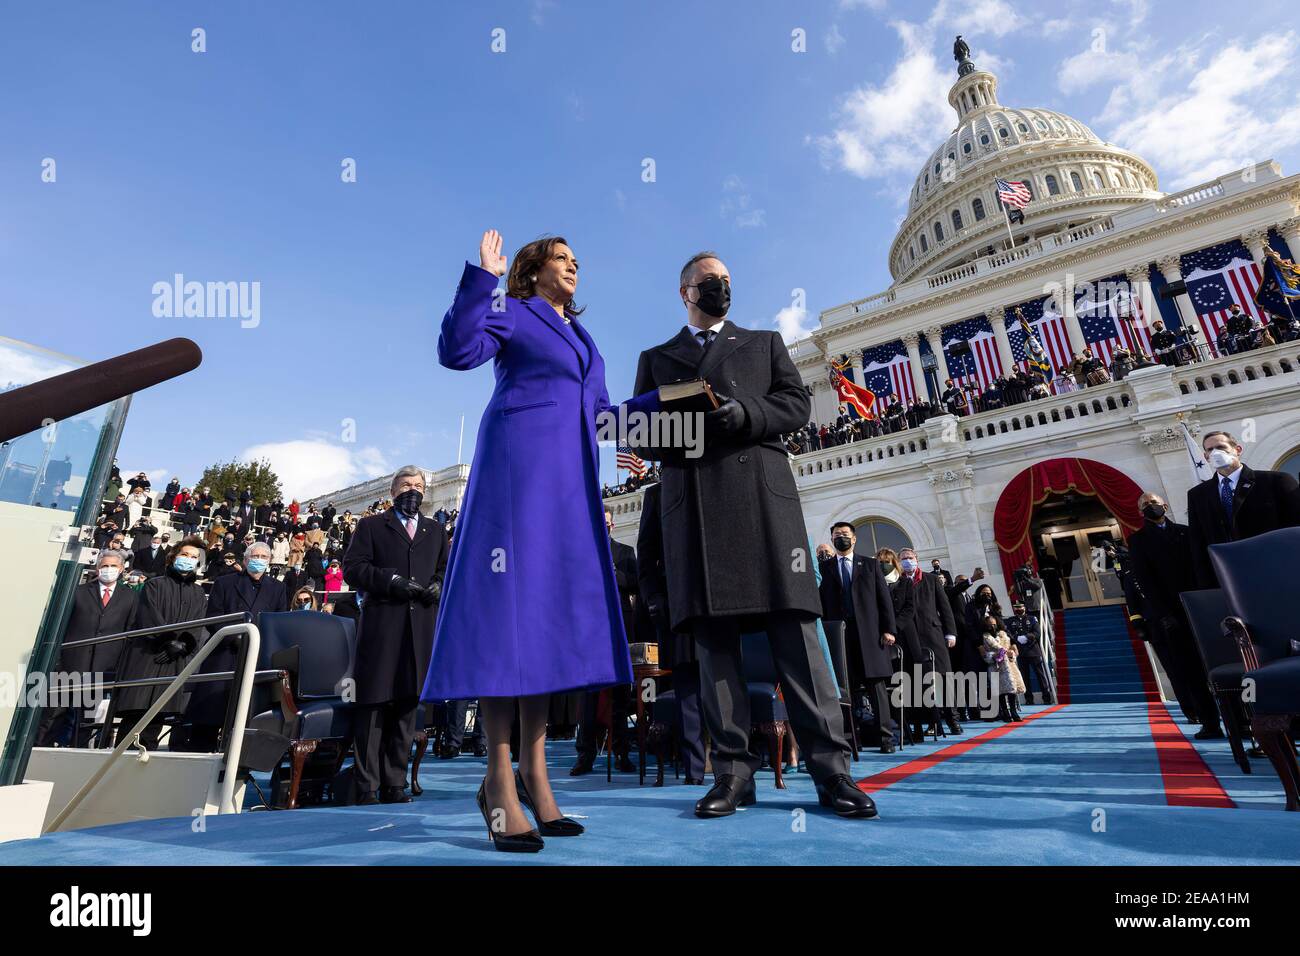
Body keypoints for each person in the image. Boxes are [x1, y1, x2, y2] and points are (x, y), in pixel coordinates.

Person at [421, 231, 653, 851]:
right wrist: (481, 279)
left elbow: (605, 418)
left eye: (578, 260)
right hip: (517, 475)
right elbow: (457, 350)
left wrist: (678, 406)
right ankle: (498, 780)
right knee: (509, 619)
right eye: (562, 258)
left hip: (570, 488)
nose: (575, 266)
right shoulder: (511, 309)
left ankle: (537, 776)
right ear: (532, 269)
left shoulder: (584, 339)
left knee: (544, 623)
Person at [630, 250, 871, 819]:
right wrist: (690, 427)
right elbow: (638, 433)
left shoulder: (763, 344)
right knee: (714, 650)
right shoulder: (656, 357)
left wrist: (745, 414)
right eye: (710, 281)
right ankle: (733, 773)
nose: (721, 288)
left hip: (764, 506)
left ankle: (831, 772)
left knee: (797, 641)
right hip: (695, 514)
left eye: (727, 281)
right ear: (685, 290)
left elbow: (797, 405)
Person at [346, 466, 449, 807]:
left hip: (419, 630)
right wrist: (390, 581)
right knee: (373, 707)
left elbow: (445, 568)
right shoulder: (372, 525)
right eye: (407, 484)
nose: (413, 490)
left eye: (419, 485)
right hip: (382, 628)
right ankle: (366, 786)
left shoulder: (435, 530)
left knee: (407, 708)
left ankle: (394, 783)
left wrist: (438, 584)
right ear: (393, 491)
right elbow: (354, 568)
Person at [1127, 491, 1223, 737]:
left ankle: (1240, 721)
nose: (1151, 507)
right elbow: (1145, 581)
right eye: (1145, 505)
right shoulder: (1138, 541)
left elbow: (1202, 567)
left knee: (1220, 665)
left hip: (1200, 608)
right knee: (1190, 672)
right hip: (1170, 616)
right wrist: (1163, 614)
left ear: (1165, 505)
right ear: (1140, 513)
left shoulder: (1187, 532)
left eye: (1154, 503)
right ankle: (1209, 721)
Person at [178, 540, 288, 752]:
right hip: (225, 654)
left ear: (270, 561)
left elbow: (279, 621)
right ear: (245, 560)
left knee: (243, 717)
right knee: (210, 716)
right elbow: (214, 616)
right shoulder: (225, 583)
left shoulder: (278, 588)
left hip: (256, 657)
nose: (259, 561)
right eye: (255, 557)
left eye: (264, 558)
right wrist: (236, 636)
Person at [636, 480, 706, 782]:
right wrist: (655, 600)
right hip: (676, 605)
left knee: (724, 682)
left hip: (724, 600)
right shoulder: (656, 494)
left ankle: (732, 763)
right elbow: (646, 554)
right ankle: (695, 768)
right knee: (688, 687)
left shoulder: (716, 478)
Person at [112, 536, 209, 749]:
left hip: (174, 662)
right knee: (135, 718)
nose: (189, 559)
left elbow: (197, 624)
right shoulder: (154, 585)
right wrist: (168, 641)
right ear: (173, 557)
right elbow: (148, 616)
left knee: (157, 719)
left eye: (194, 557)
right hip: (148, 657)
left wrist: (183, 644)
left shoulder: (199, 593)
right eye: (185, 554)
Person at [36, 549, 137, 747]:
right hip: (70, 664)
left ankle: (78, 755)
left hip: (103, 669)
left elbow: (130, 631)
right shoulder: (79, 592)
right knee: (54, 713)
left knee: (86, 720)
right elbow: (61, 628)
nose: (108, 570)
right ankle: (40, 751)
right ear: (97, 569)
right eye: (104, 566)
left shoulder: (130, 597)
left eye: (113, 566)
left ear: (122, 569)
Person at [819, 523, 899, 752]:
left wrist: (889, 630)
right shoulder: (825, 567)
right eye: (836, 535)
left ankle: (886, 737)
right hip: (839, 635)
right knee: (846, 688)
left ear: (854, 539)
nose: (840, 538)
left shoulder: (871, 564)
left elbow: (884, 600)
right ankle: (853, 738)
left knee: (876, 687)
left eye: (845, 535)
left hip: (870, 634)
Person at [1186, 430, 1300, 588]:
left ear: (1237, 450)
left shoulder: (1275, 481)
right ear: (1205, 457)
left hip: (1280, 570)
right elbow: (1198, 543)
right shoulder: (1197, 495)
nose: (1215, 453)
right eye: (1210, 450)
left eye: (1221, 446)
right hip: (1232, 578)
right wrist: (1208, 587)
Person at [572, 510, 639, 775]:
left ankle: (622, 753)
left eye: (608, 522)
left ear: (612, 525)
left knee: (620, 698)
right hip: (589, 631)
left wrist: (615, 574)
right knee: (587, 698)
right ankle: (585, 755)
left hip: (619, 630)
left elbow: (635, 584)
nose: (605, 525)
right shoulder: (582, 554)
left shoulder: (624, 552)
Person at [898, 547, 961, 735]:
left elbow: (945, 607)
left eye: (910, 558)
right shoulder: (899, 582)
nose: (907, 561)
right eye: (903, 559)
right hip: (911, 637)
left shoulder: (931, 579)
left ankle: (953, 719)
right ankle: (931, 722)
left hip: (933, 634)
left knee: (943, 677)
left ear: (916, 559)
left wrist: (951, 633)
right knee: (918, 680)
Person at [1005, 602, 1053, 706]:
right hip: (1020, 652)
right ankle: (1029, 699)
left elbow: (1037, 633)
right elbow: (1008, 633)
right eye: (1016, 608)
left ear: (1024, 608)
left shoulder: (1032, 619)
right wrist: (1016, 638)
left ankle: (1046, 697)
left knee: (1040, 675)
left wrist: (1027, 637)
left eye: (1020, 607)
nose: (1018, 609)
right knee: (1024, 677)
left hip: (1033, 651)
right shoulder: (1010, 621)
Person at [979, 613, 1024, 722]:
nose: (992, 627)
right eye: (990, 625)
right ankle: (1005, 712)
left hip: (1009, 666)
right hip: (995, 667)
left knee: (1011, 690)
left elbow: (1011, 649)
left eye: (994, 624)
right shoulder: (984, 638)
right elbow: (985, 655)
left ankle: (1014, 711)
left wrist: (1011, 653)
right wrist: (993, 656)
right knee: (999, 692)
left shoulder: (1004, 635)